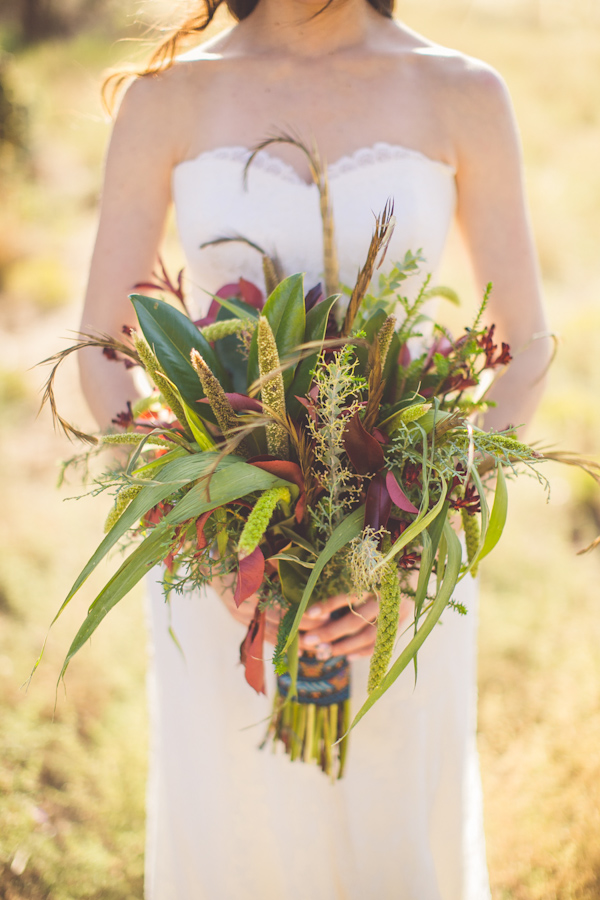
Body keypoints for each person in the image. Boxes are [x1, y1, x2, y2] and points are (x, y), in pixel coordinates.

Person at [78, 1, 551, 897]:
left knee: (394, 829)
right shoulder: (166, 99)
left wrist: (412, 549)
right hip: (222, 568)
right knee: (242, 836)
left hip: (402, 548)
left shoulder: (463, 91)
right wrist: (203, 534)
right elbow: (103, 345)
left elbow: (527, 345)